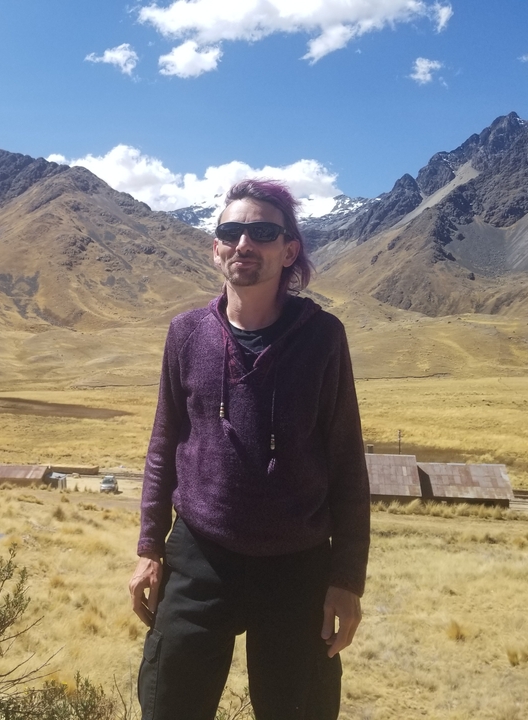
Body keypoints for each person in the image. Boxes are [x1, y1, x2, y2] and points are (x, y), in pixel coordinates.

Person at [129, 179, 370, 720]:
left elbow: (346, 462)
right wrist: (150, 548)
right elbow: (164, 443)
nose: (244, 243)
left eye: (262, 232)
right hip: (199, 555)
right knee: (169, 706)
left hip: (298, 566)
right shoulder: (186, 333)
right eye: (231, 231)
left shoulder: (323, 337)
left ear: (289, 251)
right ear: (215, 249)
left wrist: (346, 579)